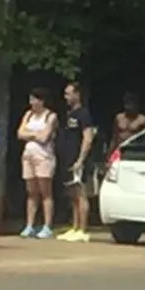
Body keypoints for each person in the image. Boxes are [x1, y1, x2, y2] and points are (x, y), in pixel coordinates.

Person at [17, 88, 58, 238]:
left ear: (42, 101)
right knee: (31, 192)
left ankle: (47, 226)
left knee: (45, 192)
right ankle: (29, 225)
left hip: (44, 156)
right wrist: (34, 135)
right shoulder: (28, 115)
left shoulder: (50, 116)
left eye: (34, 99)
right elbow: (20, 133)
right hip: (28, 155)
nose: (31, 103)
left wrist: (30, 135)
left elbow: (45, 137)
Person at [60, 80, 98, 242]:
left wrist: (81, 159)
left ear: (77, 94)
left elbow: (87, 137)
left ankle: (83, 229)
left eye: (68, 93)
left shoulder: (84, 113)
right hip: (69, 158)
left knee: (81, 194)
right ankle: (74, 227)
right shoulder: (70, 114)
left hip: (79, 159)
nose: (66, 97)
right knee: (73, 195)